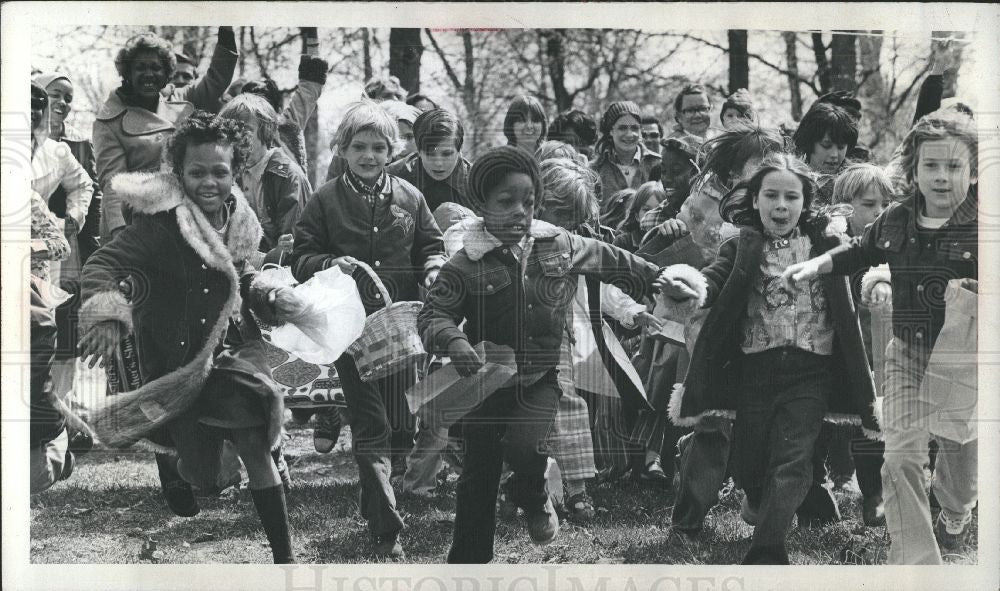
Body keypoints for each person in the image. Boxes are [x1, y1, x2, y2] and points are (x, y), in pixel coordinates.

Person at [418, 146, 670, 563]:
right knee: (477, 475)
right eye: (506, 202)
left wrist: (654, 277)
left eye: (529, 202)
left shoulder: (558, 244)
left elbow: (610, 258)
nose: (520, 211)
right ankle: (467, 564)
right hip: (484, 382)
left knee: (524, 446)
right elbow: (433, 314)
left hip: (542, 377)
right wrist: (453, 340)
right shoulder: (464, 264)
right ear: (480, 205)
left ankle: (533, 493)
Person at [77, 112, 303, 563]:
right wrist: (105, 315)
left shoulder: (242, 220)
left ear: (236, 170)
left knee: (254, 439)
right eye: (197, 172)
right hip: (178, 361)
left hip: (232, 349)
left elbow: (242, 273)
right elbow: (102, 264)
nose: (209, 182)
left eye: (220, 172)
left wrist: (269, 292)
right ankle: (182, 467)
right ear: (178, 173)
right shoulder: (159, 226)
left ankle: (285, 560)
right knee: (211, 480)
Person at [660, 154, 879, 564]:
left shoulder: (827, 245)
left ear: (805, 202)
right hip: (755, 371)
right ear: (756, 201)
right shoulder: (743, 244)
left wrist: (880, 282)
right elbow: (714, 275)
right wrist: (689, 284)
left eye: (791, 196)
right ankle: (761, 498)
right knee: (752, 465)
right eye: (772, 196)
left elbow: (864, 261)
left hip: (811, 371)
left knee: (794, 458)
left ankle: (768, 548)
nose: (781, 205)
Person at [782, 112, 978, 564]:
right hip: (908, 353)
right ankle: (915, 565)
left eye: (954, 166)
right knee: (901, 457)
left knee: (962, 471)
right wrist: (816, 265)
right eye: (931, 166)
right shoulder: (896, 219)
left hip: (964, 358)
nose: (942, 177)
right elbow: (858, 250)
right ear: (913, 169)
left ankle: (955, 510)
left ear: (972, 170)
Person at [289, 100, 446, 559]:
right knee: (371, 424)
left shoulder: (410, 198)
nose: (369, 155)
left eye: (379, 147)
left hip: (401, 330)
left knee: (402, 427)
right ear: (342, 148)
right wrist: (326, 262)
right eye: (359, 146)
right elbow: (302, 256)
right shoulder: (325, 199)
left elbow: (431, 246)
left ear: (392, 150)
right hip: (349, 330)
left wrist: (434, 268)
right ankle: (385, 528)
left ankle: (376, 498)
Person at [666, 126, 786, 535]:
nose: (769, 170)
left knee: (760, 421)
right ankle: (689, 519)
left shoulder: (777, 200)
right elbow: (692, 248)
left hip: (762, 328)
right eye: (760, 162)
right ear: (737, 167)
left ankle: (758, 501)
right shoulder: (705, 202)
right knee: (712, 422)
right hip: (712, 325)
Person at [532, 157, 661, 521]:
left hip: (560, 344)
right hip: (516, 346)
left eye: (571, 220)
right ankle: (523, 484)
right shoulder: (513, 241)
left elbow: (602, 282)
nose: (562, 226)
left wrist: (633, 311)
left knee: (570, 409)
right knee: (523, 418)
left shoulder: (572, 247)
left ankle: (577, 490)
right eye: (557, 215)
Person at [94, 27, 238, 242]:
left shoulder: (182, 99)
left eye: (156, 67)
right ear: (127, 74)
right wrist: (120, 234)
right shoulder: (109, 121)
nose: (149, 74)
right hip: (138, 223)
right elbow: (113, 184)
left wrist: (227, 31)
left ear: (167, 74)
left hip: (188, 217)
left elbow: (216, 80)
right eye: (140, 67)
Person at [217, 93, 311, 255]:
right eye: (231, 130)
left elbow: (293, 245)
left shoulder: (288, 176)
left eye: (245, 130)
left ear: (265, 130)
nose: (237, 137)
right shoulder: (229, 171)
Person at [29, 188, 78, 494]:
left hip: (30, 306)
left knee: (35, 384)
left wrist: (19, 248)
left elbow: (60, 246)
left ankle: (62, 436)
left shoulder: (25, 198)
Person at [386, 108, 473, 213]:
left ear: (459, 150)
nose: (438, 163)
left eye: (446, 154)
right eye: (430, 154)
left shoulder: (477, 183)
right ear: (418, 150)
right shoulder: (392, 179)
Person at [590, 101, 661, 229]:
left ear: (640, 131)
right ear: (611, 131)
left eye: (634, 128)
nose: (629, 134)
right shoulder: (594, 169)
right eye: (622, 128)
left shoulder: (657, 164)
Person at [791, 102, 858, 205]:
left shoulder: (856, 181)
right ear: (809, 142)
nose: (834, 155)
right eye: (826, 146)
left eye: (841, 147)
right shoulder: (789, 176)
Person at [613, 181, 666, 253]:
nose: (651, 214)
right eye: (646, 210)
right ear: (637, 216)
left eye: (658, 209)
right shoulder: (623, 243)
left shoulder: (671, 239)